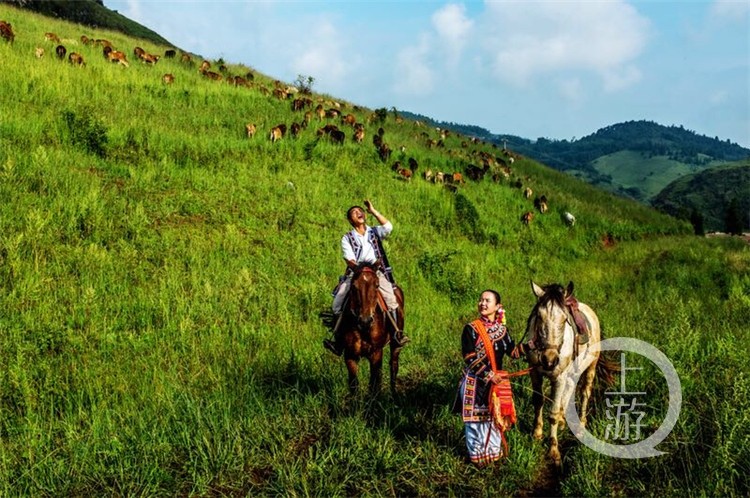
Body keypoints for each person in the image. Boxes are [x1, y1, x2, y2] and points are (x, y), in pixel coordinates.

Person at [457, 289, 534, 467]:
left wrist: (530, 345)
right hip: (475, 382)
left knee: (494, 420)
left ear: (498, 307)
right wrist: (488, 374)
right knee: (476, 421)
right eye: (481, 300)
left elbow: (513, 352)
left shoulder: (502, 330)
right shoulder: (471, 329)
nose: (482, 303)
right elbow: (469, 357)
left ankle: (493, 457)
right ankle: (478, 459)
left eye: (487, 301)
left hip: (496, 384)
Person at [323, 200, 410, 355]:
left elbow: (388, 227)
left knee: (391, 298)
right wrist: (359, 271)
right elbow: (349, 259)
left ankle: (397, 334)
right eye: (354, 213)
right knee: (337, 303)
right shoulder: (347, 238)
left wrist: (373, 211)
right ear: (350, 220)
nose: (359, 213)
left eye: (360, 211)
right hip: (356, 272)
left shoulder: (374, 231)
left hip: (376, 271)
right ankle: (337, 340)